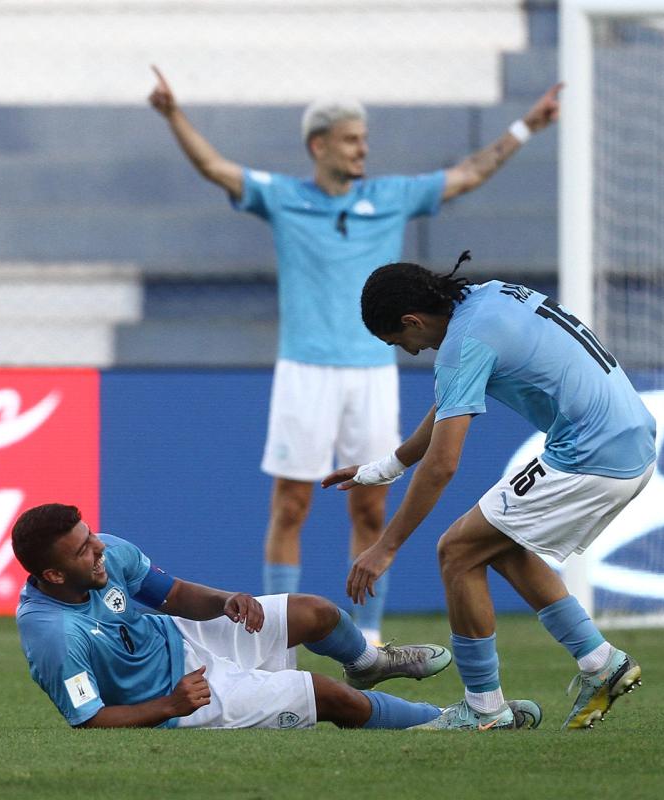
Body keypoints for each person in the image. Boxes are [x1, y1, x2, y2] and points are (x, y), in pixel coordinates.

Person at [148, 66, 563, 644]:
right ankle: (277, 630)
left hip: (371, 372)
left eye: (365, 139)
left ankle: (368, 637)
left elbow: (469, 174)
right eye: (351, 139)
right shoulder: (285, 197)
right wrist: (173, 115)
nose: (362, 148)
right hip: (305, 369)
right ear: (319, 146)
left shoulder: (390, 197)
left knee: (371, 506)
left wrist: (526, 126)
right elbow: (215, 168)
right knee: (291, 505)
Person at [323, 253, 655, 730]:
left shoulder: (464, 341)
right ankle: (600, 662)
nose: (412, 351)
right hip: (629, 438)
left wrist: (385, 548)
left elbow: (442, 464)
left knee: (457, 551)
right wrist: (385, 467)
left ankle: (484, 710)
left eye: (402, 341)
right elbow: (446, 406)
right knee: (496, 544)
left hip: (592, 454)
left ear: (412, 319)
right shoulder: (490, 296)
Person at [11, 502, 538, 732]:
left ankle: (371, 661)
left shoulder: (108, 554)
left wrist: (223, 602)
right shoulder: (54, 635)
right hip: (182, 699)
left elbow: (170, 595)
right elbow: (88, 718)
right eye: (82, 551)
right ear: (53, 577)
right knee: (327, 696)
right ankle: (454, 722)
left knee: (317, 613)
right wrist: (168, 703)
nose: (99, 548)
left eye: (91, 537)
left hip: (183, 636)